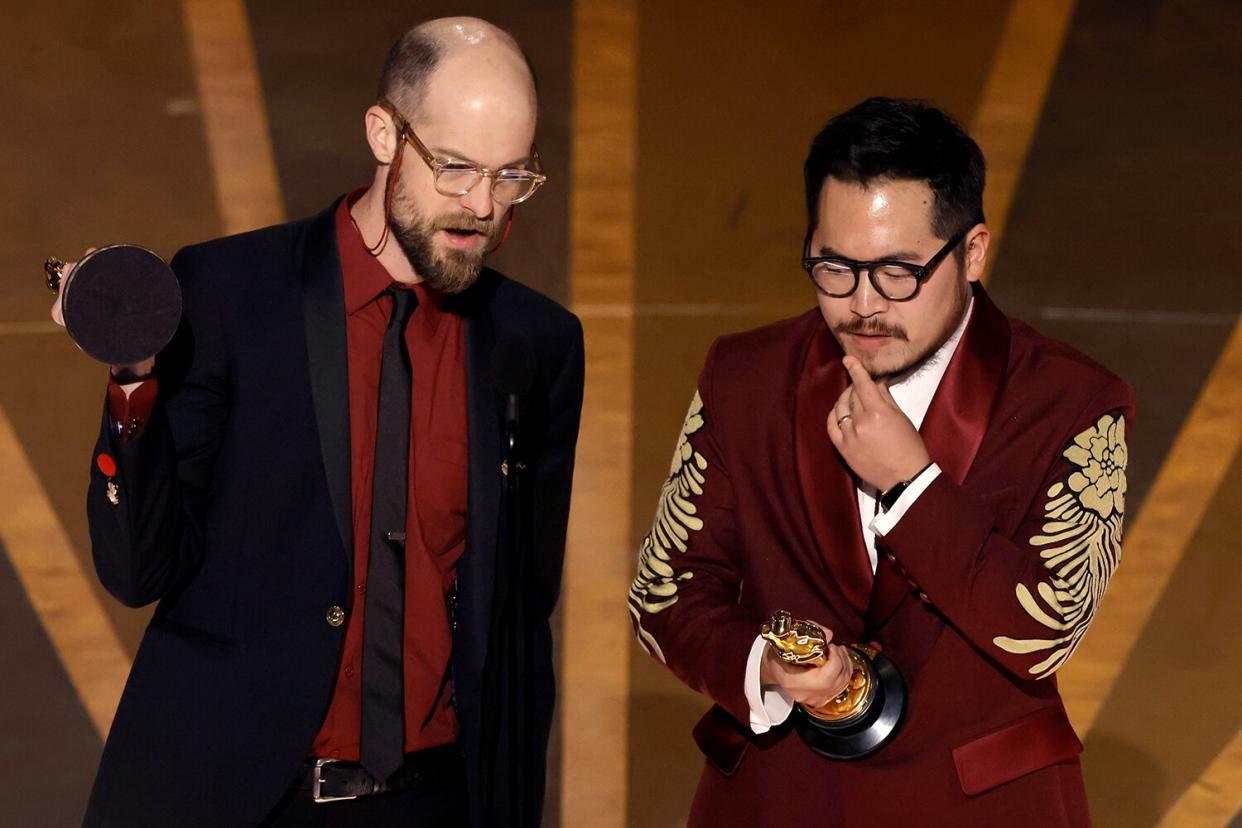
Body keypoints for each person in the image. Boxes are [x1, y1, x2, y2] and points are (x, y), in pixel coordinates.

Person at [53, 17, 582, 827]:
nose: (483, 205)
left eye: (512, 175)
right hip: (235, 798)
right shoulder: (230, 293)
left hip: (431, 802)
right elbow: (139, 572)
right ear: (384, 134)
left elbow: (517, 620)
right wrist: (133, 381)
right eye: (455, 167)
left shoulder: (536, 344)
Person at [628, 97, 1133, 826]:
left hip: (990, 809)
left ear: (973, 252)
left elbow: (1049, 626)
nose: (863, 305)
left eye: (898, 272)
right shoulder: (745, 376)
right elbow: (664, 592)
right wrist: (765, 668)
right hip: (779, 798)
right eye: (834, 268)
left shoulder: (1076, 400)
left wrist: (913, 487)